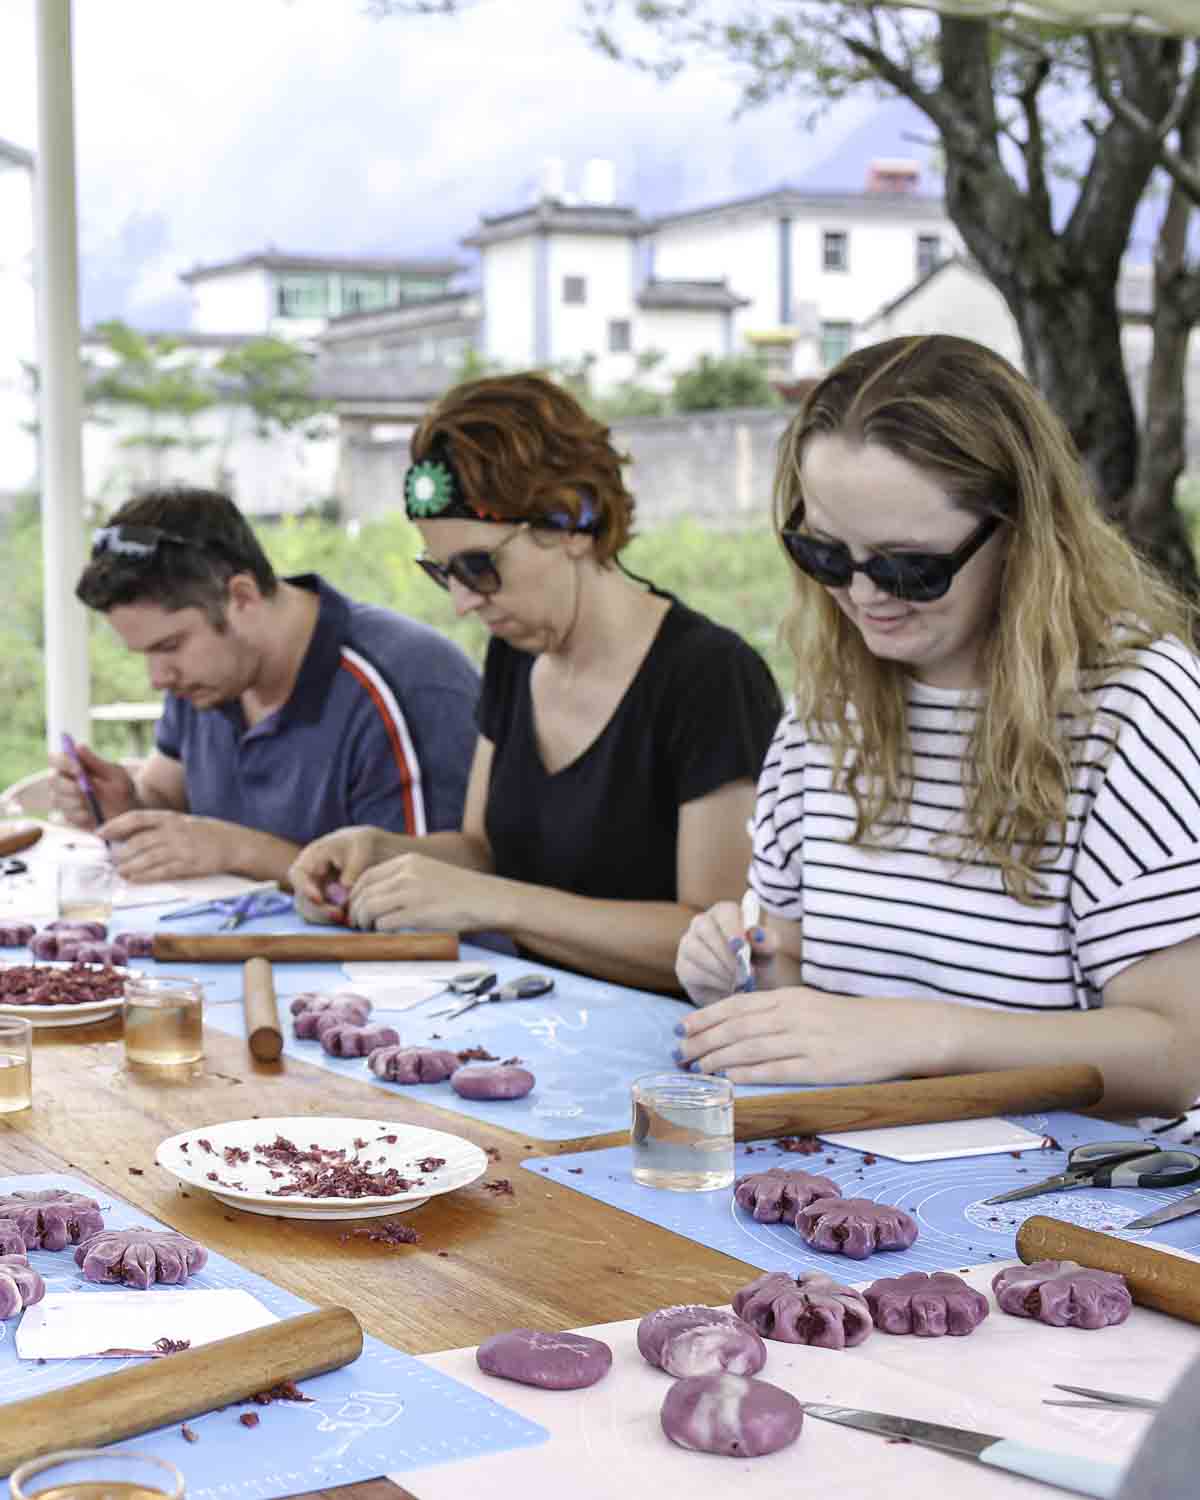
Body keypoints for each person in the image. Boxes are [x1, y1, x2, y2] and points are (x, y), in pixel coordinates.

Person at [674, 334, 1200, 1120]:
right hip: (853, 1166)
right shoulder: (832, 700)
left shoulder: (1133, 708)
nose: (860, 595)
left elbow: (1176, 1054)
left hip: (1063, 1201)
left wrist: (923, 1035)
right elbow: (794, 971)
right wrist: (740, 970)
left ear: (1021, 535)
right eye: (824, 553)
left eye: (907, 566)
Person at [289, 372, 782, 992]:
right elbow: (485, 851)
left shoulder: (710, 679)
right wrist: (378, 851)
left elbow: (720, 943)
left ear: (571, 520)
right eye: (443, 574)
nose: (463, 603)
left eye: (478, 567)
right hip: (539, 1020)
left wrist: (495, 902)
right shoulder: (515, 657)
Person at [52, 487, 480, 884]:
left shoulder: (405, 686)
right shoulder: (205, 677)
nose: (158, 678)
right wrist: (125, 807)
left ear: (241, 596)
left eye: (169, 646)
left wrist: (237, 850)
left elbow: (428, 891)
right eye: (145, 653)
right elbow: (167, 793)